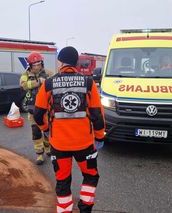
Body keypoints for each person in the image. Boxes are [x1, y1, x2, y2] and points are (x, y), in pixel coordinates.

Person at [33, 46, 105, 213]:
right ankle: (85, 209)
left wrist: (46, 129)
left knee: (63, 181)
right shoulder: (88, 82)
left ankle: (64, 211)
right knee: (91, 176)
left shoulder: (49, 83)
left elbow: (38, 113)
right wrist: (99, 137)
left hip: (58, 145)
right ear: (76, 62)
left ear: (61, 62)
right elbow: (97, 114)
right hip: (84, 144)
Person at [20, 52, 54, 165]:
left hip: (47, 109)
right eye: (34, 65)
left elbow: (55, 84)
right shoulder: (25, 74)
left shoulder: (49, 73)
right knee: (36, 132)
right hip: (33, 108)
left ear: (42, 63)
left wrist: (47, 82)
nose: (37, 67)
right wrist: (38, 81)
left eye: (38, 64)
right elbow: (24, 85)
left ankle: (48, 148)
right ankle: (39, 155)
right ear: (30, 65)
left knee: (47, 130)